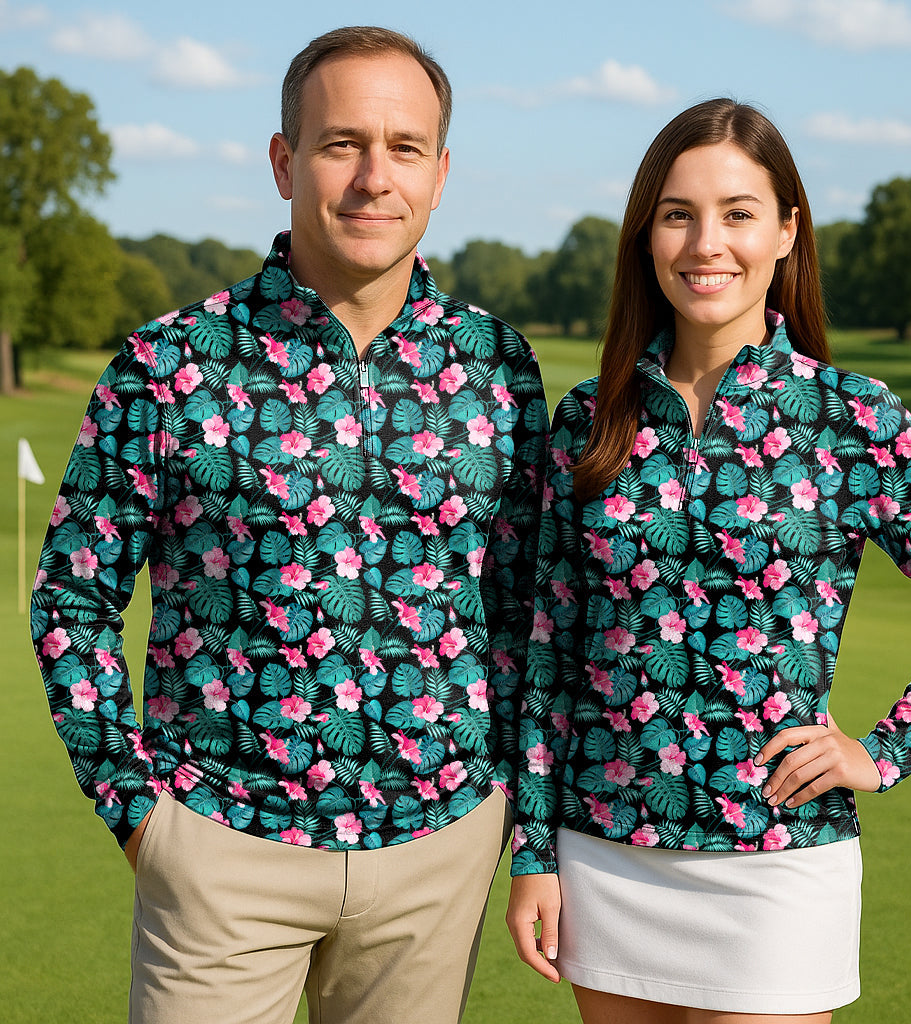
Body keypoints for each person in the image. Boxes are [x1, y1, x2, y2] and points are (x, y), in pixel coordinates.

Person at [31, 25, 548, 1024]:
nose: (371, 178)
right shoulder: (171, 362)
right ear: (284, 161)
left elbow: (528, 612)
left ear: (440, 175)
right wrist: (142, 818)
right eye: (339, 143)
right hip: (221, 847)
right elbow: (72, 599)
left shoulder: (499, 365)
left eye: (403, 149)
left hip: (434, 850)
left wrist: (507, 818)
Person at [505, 98, 911, 1023]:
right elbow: (549, 650)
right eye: (678, 213)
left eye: (739, 213)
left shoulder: (853, 416)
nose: (708, 243)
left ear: (786, 231)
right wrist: (535, 852)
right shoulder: (588, 418)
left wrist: (883, 752)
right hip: (605, 850)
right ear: (646, 235)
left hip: (777, 858)